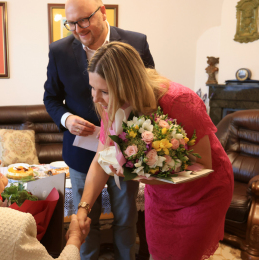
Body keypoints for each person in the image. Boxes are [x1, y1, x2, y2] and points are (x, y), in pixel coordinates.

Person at [77, 41, 234, 260]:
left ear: (127, 86)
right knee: (159, 252)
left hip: (203, 192)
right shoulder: (109, 106)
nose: (95, 98)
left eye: (104, 91)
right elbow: (100, 160)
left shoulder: (180, 100)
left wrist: (145, 179)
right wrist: (83, 208)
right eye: (92, 88)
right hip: (161, 196)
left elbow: (203, 164)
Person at [43, 0, 154, 259]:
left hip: (127, 148)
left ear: (102, 12)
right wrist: (67, 119)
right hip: (81, 153)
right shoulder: (58, 51)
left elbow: (150, 93)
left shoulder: (136, 43)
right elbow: (51, 98)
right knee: (84, 220)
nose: (78, 28)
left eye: (84, 20)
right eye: (70, 23)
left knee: (126, 218)